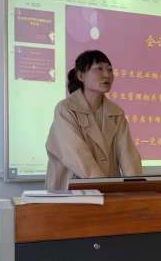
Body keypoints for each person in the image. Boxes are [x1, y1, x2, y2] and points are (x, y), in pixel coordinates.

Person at [45, 50, 143, 190]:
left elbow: (128, 155)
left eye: (110, 70)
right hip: (71, 192)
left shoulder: (116, 112)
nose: (106, 75)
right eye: (99, 68)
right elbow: (77, 155)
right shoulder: (65, 109)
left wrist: (137, 189)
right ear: (81, 76)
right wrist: (104, 186)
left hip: (107, 193)